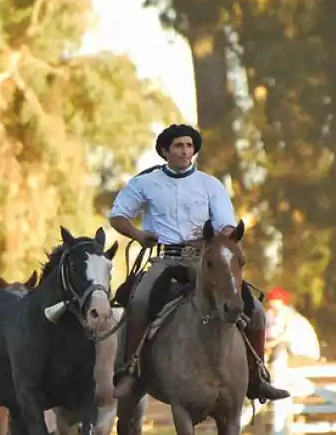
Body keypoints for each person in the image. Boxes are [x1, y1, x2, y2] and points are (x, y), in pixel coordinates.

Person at [108, 123, 290, 404]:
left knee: (254, 310)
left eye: (189, 146)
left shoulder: (210, 184)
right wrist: (138, 234)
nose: (185, 151)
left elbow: (226, 223)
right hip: (166, 259)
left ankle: (258, 377)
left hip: (205, 260)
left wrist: (224, 237)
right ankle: (130, 371)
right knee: (141, 301)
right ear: (165, 150)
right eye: (179, 146)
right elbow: (118, 215)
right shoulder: (145, 183)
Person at [264, 287, 321, 366]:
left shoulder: (292, 316)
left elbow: (287, 336)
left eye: (276, 300)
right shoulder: (269, 315)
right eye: (270, 300)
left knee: (280, 349)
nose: (272, 303)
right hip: (286, 355)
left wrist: (270, 344)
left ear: (282, 302)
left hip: (302, 355)